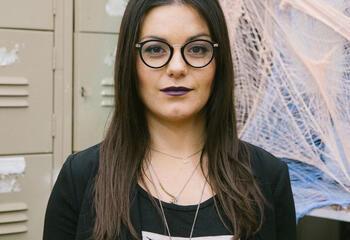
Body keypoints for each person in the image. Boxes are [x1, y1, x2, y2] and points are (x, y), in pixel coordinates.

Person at [43, 0, 296, 239]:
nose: (177, 67)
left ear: (219, 63)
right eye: (155, 49)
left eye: (197, 49)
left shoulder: (268, 177)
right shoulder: (81, 176)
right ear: (130, 63)